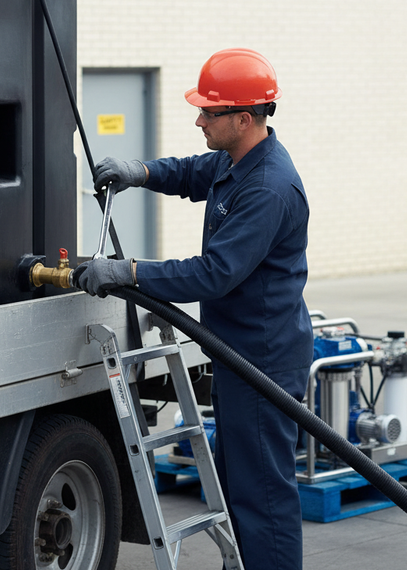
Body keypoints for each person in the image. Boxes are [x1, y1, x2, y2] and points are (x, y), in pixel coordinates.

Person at [75, 48, 313, 570]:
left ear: (244, 119)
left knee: (262, 500)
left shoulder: (269, 187)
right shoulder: (239, 160)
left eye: (210, 111)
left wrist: (128, 272)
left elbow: (213, 273)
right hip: (239, 355)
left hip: (262, 365)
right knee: (239, 484)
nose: (199, 119)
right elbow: (189, 173)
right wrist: (138, 170)